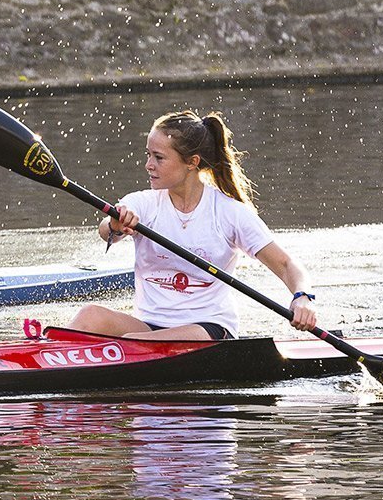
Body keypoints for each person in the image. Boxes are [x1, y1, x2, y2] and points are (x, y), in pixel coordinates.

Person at [67, 109, 318, 341]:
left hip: (207, 329)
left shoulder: (228, 212)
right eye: (148, 155)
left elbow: (286, 264)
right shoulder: (142, 203)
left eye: (159, 157)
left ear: (192, 162)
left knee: (135, 342)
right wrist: (115, 224)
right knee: (89, 316)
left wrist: (302, 298)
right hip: (148, 326)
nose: (148, 165)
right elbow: (105, 231)